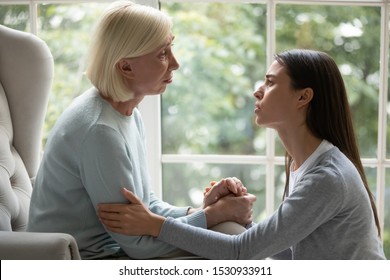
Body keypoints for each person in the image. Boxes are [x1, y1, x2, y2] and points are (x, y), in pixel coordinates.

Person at [98, 49, 386, 260]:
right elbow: (288, 252)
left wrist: (156, 225)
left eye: (271, 82)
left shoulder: (326, 177)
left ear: (303, 97)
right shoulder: (305, 165)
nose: (257, 91)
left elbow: (242, 252)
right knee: (226, 227)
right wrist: (243, 221)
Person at [27, 0, 256, 259]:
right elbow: (139, 245)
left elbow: (147, 207)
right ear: (125, 67)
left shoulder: (126, 112)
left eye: (172, 48)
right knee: (230, 242)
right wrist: (213, 216)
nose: (175, 63)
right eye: (162, 54)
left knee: (231, 234)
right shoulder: (101, 132)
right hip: (89, 260)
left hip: (116, 249)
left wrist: (200, 211)